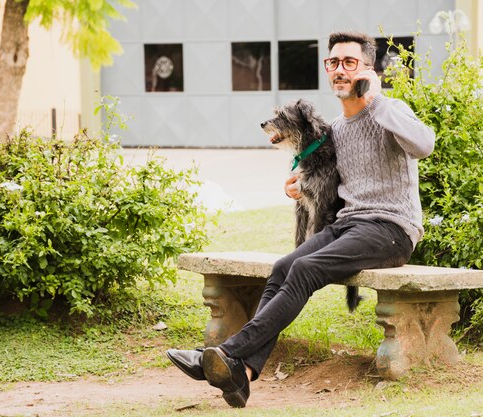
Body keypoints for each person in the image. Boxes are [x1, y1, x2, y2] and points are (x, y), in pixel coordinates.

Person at [165, 30, 435, 408]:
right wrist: (296, 187)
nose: (340, 70)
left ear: (368, 69)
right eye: (333, 62)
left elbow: (424, 145)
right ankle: (243, 374)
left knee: (306, 268)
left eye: (350, 62)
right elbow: (324, 180)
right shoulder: (337, 131)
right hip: (349, 225)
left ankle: (228, 352)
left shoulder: (392, 111)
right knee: (283, 267)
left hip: (392, 228)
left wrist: (376, 98)